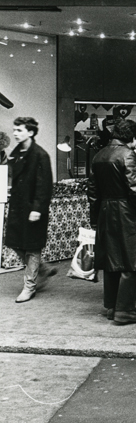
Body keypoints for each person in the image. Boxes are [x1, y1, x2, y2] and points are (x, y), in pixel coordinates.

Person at [88, 119, 136, 324]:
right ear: (131, 137)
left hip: (105, 210)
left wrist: (95, 218)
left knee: (111, 260)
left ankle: (112, 307)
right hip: (126, 212)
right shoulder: (127, 155)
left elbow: (93, 192)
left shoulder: (99, 155)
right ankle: (125, 310)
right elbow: (135, 189)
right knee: (132, 260)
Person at [6, 117, 54, 303]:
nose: (15, 133)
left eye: (19, 130)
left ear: (31, 132)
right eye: (15, 129)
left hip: (33, 208)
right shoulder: (16, 153)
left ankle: (29, 287)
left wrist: (38, 208)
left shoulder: (40, 155)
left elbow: (45, 186)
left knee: (32, 248)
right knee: (14, 242)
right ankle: (42, 269)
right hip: (18, 207)